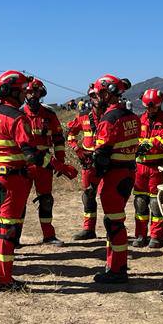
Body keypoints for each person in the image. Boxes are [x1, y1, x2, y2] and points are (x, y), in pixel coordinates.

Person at [0, 70, 36, 292]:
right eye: (22, 91)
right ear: (12, 91)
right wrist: (59, 166)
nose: (25, 95)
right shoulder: (17, 118)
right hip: (12, 180)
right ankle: (4, 279)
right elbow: (31, 154)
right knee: (9, 230)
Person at [91, 74, 139, 285]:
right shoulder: (132, 117)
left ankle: (118, 270)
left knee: (114, 223)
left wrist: (94, 177)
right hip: (127, 173)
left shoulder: (109, 119)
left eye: (99, 93)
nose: (97, 98)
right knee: (114, 220)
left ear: (107, 93)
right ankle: (114, 264)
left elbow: (102, 155)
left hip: (113, 176)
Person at [20, 78, 67, 245]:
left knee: (46, 199)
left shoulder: (49, 115)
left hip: (45, 163)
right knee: (18, 201)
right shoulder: (18, 114)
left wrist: (60, 162)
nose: (32, 95)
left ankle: (49, 235)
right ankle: (14, 237)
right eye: (30, 92)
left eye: (36, 92)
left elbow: (58, 139)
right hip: (23, 164)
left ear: (41, 94)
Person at [132, 89, 163, 248]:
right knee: (140, 202)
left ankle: (156, 236)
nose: (150, 109)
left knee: (155, 203)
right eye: (147, 107)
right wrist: (149, 142)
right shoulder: (138, 120)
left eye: (153, 107)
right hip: (140, 168)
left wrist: (145, 143)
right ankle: (140, 235)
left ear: (159, 104)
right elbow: (133, 140)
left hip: (157, 168)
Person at [67, 92, 101, 240]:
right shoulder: (83, 117)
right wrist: (77, 150)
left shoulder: (112, 115)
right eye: (94, 97)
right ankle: (89, 229)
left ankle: (114, 229)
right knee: (88, 195)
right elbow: (71, 134)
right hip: (88, 162)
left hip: (108, 161)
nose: (97, 99)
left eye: (99, 96)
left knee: (110, 196)